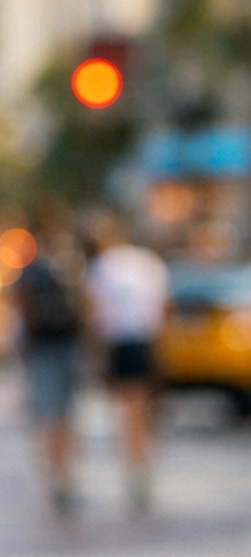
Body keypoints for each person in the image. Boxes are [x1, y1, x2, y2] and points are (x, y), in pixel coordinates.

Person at [85, 215, 170, 514]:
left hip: (120, 345)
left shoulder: (100, 268)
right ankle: (142, 466)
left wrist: (96, 357)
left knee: (127, 411)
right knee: (143, 410)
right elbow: (159, 312)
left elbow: (96, 317)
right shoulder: (148, 263)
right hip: (143, 342)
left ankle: (135, 468)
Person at [14, 228, 84, 515]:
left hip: (44, 349)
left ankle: (55, 477)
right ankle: (64, 477)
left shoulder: (32, 273)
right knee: (64, 416)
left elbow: (20, 308)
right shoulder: (71, 269)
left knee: (48, 416)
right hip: (67, 347)